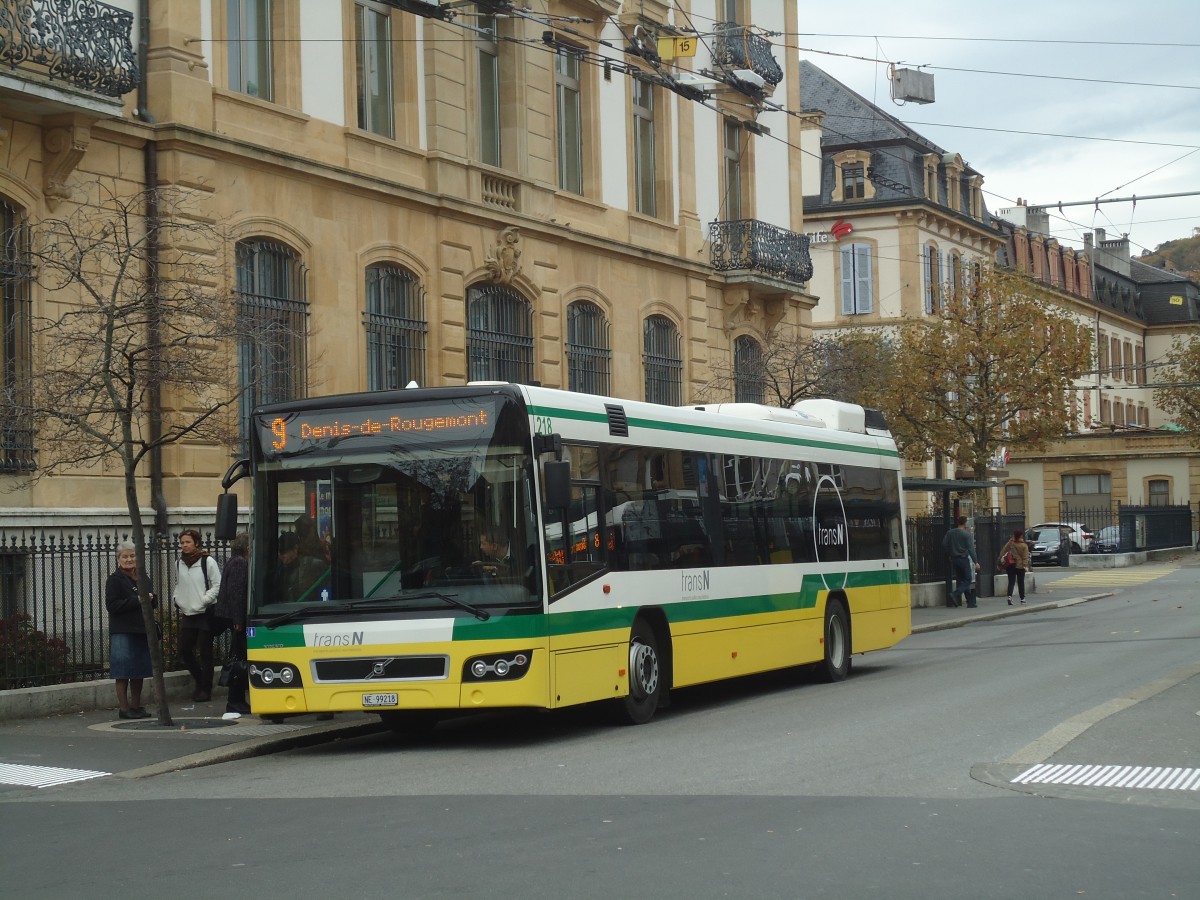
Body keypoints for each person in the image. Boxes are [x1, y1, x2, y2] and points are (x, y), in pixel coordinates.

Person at [105, 541, 155, 720]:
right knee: (123, 670)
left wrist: (151, 599)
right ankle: (124, 708)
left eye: (132, 556)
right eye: (125, 556)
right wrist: (139, 600)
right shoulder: (115, 580)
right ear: (118, 559)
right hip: (123, 630)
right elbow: (112, 605)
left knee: (139, 670)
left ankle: (136, 705)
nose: (129, 559)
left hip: (141, 629)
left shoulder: (143, 577)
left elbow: (151, 602)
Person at [173, 529, 221, 702]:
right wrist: (177, 598)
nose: (184, 545)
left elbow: (217, 585)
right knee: (184, 650)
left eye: (188, 542)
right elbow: (179, 584)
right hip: (188, 612)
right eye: (182, 542)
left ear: (197, 543)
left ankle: (205, 689)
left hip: (205, 612)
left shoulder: (207, 561)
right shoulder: (179, 563)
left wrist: (204, 600)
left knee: (205, 651)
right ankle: (200, 681)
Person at [213, 532, 250, 715]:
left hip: (234, 617)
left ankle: (238, 699)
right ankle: (235, 700)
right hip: (236, 619)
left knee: (239, 657)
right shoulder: (240, 563)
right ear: (247, 548)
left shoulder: (234, 561)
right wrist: (238, 621)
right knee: (238, 659)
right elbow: (237, 593)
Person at [273, 531, 329, 602]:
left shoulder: (314, 565)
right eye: (279, 553)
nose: (281, 556)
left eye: (284, 552)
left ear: (295, 548)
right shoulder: (279, 570)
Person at [941, 515, 980, 608]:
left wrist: (949, 554)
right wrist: (976, 562)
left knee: (962, 580)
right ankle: (955, 594)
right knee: (968, 579)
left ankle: (970, 602)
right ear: (965, 523)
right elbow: (971, 549)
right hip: (963, 559)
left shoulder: (950, 533)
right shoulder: (966, 534)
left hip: (954, 559)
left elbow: (944, 544)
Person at [998, 528, 1031, 605]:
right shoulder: (1024, 545)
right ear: (1021, 536)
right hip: (1020, 566)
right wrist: (1025, 565)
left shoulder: (1010, 543)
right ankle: (1022, 599)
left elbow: (1003, 551)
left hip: (1010, 565)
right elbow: (1025, 557)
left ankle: (1009, 597)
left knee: (1011, 582)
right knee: (1021, 582)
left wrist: (1002, 559)